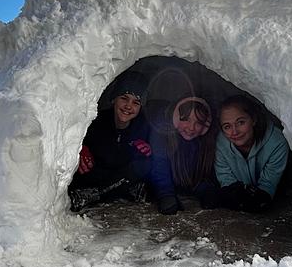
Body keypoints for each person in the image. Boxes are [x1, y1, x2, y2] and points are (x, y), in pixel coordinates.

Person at [68, 72, 152, 212]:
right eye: (124, 98)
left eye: (136, 102)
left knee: (144, 165)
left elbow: (149, 157)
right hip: (100, 172)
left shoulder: (143, 125)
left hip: (122, 173)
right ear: (114, 99)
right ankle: (125, 190)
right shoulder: (97, 121)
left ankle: (95, 194)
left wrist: (147, 150)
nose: (128, 106)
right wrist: (81, 149)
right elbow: (76, 142)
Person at [214, 95, 289, 212]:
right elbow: (225, 177)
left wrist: (262, 196)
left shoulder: (276, 142)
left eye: (241, 122)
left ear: (253, 119)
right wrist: (233, 192)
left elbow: (268, 183)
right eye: (227, 126)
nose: (234, 131)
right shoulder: (221, 142)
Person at [148, 94, 220, 215]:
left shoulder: (206, 140)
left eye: (199, 122)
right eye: (186, 119)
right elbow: (159, 166)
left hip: (187, 184)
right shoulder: (162, 134)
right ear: (176, 117)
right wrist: (166, 194)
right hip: (167, 183)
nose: (191, 127)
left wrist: (206, 190)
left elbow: (204, 171)